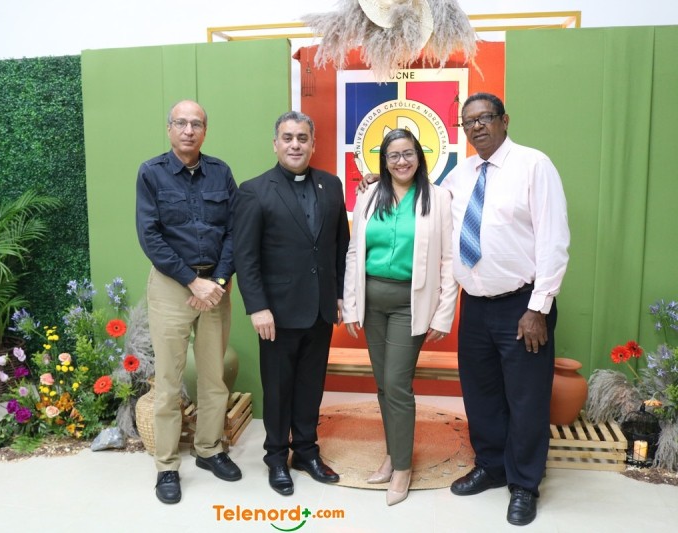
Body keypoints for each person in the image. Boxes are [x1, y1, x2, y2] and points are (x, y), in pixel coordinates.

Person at [442, 93, 570, 526]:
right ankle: (492, 466)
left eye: (485, 118)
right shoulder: (460, 175)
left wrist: (539, 307)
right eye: (469, 122)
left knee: (526, 399)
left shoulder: (534, 165)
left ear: (504, 119)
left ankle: (525, 484)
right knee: (481, 394)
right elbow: (426, 207)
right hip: (475, 305)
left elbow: (554, 238)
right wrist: (376, 181)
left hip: (523, 305)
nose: (477, 127)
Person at [233, 110, 350, 496]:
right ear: (275, 144)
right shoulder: (254, 190)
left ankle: (306, 451)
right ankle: (275, 456)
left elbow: (340, 245)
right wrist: (257, 307)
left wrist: (339, 295)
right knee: (279, 387)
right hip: (277, 312)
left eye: (302, 138)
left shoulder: (331, 185)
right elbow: (245, 256)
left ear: (313, 144)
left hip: (320, 308)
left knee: (311, 385)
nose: (295, 144)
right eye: (288, 138)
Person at [342, 128, 457, 506]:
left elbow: (448, 260)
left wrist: (443, 314)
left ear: (419, 157)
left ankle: (403, 468)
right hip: (372, 302)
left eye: (408, 153)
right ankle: (393, 455)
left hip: (411, 303)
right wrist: (351, 304)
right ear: (384, 160)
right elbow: (355, 252)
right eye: (393, 155)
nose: (401, 161)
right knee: (383, 384)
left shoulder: (438, 198)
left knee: (396, 383)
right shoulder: (369, 195)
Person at [135, 99, 241, 505]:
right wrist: (191, 282)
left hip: (215, 285)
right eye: (181, 123)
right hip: (171, 285)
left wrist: (218, 280)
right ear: (169, 129)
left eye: (196, 124)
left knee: (214, 376)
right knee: (168, 380)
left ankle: (209, 449)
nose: (188, 130)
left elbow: (234, 231)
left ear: (205, 131)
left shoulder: (221, 172)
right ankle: (166, 465)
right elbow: (150, 236)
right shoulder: (151, 172)